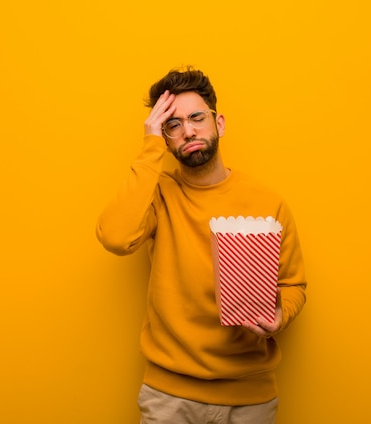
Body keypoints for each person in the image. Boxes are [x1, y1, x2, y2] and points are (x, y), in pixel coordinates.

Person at [96, 67, 307, 424]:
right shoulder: (158, 196)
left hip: (250, 398)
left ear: (218, 124)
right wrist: (149, 145)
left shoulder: (268, 202)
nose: (188, 131)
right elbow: (116, 238)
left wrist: (279, 316)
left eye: (196, 118)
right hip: (169, 397)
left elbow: (293, 285)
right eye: (172, 125)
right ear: (164, 138)